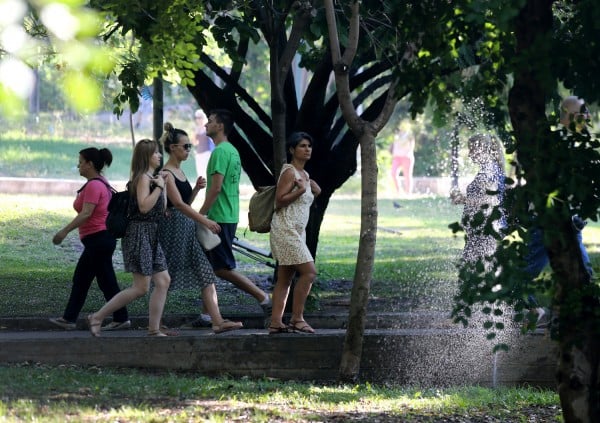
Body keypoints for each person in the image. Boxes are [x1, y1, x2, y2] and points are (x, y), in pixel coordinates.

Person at [157, 122, 243, 334]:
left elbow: (184, 202)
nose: (188, 150)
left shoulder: (179, 171)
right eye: (185, 146)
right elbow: (177, 205)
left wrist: (194, 189)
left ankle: (217, 321)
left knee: (205, 272)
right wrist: (205, 220)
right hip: (173, 230)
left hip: (185, 229)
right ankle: (156, 324)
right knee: (166, 277)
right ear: (172, 148)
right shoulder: (167, 172)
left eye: (189, 146)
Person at [87, 139, 172, 337]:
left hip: (152, 234)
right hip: (139, 234)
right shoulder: (142, 178)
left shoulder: (152, 178)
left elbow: (162, 209)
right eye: (156, 153)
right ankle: (97, 317)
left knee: (163, 280)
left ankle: (154, 329)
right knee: (141, 287)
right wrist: (158, 187)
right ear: (147, 156)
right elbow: (143, 207)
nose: (159, 156)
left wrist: (163, 185)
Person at [521, 96, 594, 323]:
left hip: (570, 222)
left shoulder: (579, 143)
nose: (589, 116)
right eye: (584, 111)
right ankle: (538, 312)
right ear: (569, 116)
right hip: (548, 223)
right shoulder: (557, 144)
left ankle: (569, 323)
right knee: (521, 276)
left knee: (582, 274)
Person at [199, 109, 272, 319]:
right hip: (227, 214)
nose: (206, 124)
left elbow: (216, 188)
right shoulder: (232, 150)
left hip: (219, 217)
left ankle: (263, 297)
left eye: (210, 121)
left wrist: (200, 214)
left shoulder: (221, 152)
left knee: (222, 268)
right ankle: (207, 315)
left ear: (220, 126)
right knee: (207, 265)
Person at [50, 147, 130, 331]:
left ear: (90, 164)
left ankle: (69, 318)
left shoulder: (95, 185)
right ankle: (121, 317)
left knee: (81, 278)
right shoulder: (101, 182)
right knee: (106, 281)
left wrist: (64, 231)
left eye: (81, 161)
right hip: (101, 239)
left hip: (98, 240)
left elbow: (86, 213)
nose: (78, 165)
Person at [268, 132, 322, 334]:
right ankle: (297, 319)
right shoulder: (290, 172)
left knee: (285, 278)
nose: (307, 149)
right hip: (285, 229)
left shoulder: (305, 175)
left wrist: (314, 191)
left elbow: (300, 204)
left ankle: (275, 322)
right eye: (302, 146)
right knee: (309, 272)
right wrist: (301, 190)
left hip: (297, 232)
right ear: (292, 150)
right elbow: (279, 201)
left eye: (309, 146)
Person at [450, 134, 506, 267]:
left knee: (477, 271)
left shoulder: (489, 170)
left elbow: (488, 201)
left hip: (485, 231)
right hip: (481, 230)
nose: (469, 155)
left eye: (472, 150)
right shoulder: (490, 169)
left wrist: (462, 199)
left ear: (481, 148)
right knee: (473, 271)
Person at [390, 122, 416, 195]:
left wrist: (407, 153)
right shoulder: (397, 135)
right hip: (397, 157)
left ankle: (408, 192)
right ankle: (398, 191)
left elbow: (411, 147)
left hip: (407, 157)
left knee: (407, 175)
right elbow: (394, 146)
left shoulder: (409, 135)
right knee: (393, 173)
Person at [192, 109, 214, 179]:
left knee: (207, 171)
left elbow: (213, 141)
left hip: (207, 153)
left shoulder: (207, 128)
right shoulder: (196, 129)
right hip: (199, 153)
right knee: (200, 172)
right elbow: (194, 142)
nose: (198, 120)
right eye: (197, 118)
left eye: (200, 117)